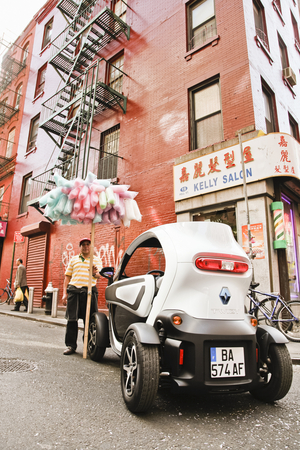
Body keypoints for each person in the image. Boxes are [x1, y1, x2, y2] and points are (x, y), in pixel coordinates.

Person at [62, 237, 102, 355]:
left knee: (90, 321)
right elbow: (67, 277)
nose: (85, 246)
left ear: (91, 246)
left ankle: (89, 346)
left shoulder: (96, 260)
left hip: (89, 292)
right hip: (74, 292)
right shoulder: (73, 260)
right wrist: (65, 293)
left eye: (88, 244)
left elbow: (99, 275)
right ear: (80, 247)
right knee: (72, 320)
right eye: (83, 244)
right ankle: (71, 346)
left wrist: (94, 273)